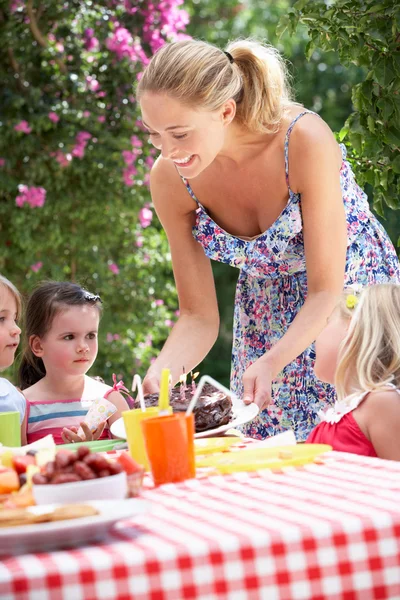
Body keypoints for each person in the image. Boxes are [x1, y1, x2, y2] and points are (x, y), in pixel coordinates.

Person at [137, 39, 400, 440]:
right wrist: (162, 374)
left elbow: (325, 290)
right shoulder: (170, 180)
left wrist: (273, 361)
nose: (168, 151)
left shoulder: (303, 140)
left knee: (358, 443)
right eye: (154, 134)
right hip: (265, 312)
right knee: (274, 462)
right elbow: (198, 316)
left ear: (225, 111)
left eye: (180, 133)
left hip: (350, 302)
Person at [19, 281, 129, 444]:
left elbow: (134, 457)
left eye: (91, 335)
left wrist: (92, 449)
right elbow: (14, 464)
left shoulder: (111, 401)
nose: (83, 347)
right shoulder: (22, 406)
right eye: (69, 337)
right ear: (38, 345)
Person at [308, 285, 400, 460]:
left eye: (326, 324)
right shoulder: (349, 408)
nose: (315, 338)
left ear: (349, 330)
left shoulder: (382, 402)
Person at [0, 275, 27, 444]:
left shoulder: (14, 398)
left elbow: (22, 458)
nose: (17, 329)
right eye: (1, 319)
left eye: (15, 319)